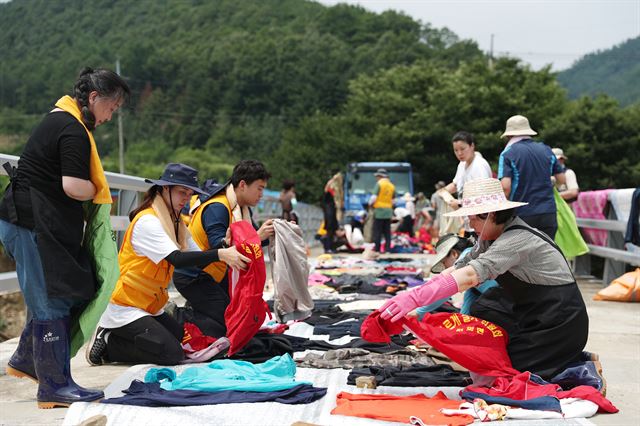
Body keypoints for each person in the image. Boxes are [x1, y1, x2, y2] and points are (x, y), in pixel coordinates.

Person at [0, 68, 129, 408]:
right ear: (93, 98)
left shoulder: (64, 121)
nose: (110, 115)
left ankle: (27, 361)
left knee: (70, 291)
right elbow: (73, 186)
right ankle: (54, 387)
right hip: (30, 223)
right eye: (112, 107)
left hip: (30, 221)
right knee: (52, 300)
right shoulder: (71, 129)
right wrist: (99, 189)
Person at [379, 178, 593, 383]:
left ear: (490, 215)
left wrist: (415, 300)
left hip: (559, 321)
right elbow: (458, 268)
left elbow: (470, 276)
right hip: (533, 313)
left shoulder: (515, 240)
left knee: (505, 371)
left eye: (472, 217)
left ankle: (579, 365)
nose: (469, 223)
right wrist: (411, 297)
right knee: (485, 309)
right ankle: (557, 357)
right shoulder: (490, 237)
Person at [86, 164, 250, 366]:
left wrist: (225, 246)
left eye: (190, 194)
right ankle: (109, 342)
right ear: (165, 189)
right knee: (171, 354)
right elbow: (177, 259)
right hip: (126, 305)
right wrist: (220, 254)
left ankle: (120, 337)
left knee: (184, 342)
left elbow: (197, 255)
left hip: (151, 304)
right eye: (182, 192)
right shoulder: (148, 221)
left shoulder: (176, 222)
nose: (186, 199)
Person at [172, 160, 274, 338]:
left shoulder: (240, 208)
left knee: (242, 318)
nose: (261, 194)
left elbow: (248, 242)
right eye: (259, 188)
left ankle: (198, 308)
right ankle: (175, 316)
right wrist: (259, 236)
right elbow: (219, 246)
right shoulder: (218, 207)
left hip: (215, 273)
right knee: (229, 325)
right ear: (242, 185)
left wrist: (272, 235)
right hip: (194, 275)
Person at [498, 115, 565, 239]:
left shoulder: (507, 154)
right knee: (546, 255)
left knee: (524, 256)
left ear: (508, 135)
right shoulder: (546, 149)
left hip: (522, 215)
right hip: (548, 213)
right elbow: (562, 180)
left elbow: (505, 188)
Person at [444, 131, 492, 235]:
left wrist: (460, 203)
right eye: (456, 150)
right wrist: (443, 192)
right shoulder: (462, 164)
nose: (459, 153)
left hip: (481, 223)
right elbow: (456, 184)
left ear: (472, 146)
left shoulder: (479, 166)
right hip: (468, 222)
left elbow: (484, 195)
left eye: (462, 149)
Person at [370, 168, 396, 253]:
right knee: (387, 232)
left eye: (377, 176)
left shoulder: (379, 184)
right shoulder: (392, 186)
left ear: (380, 176)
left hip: (379, 211)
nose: (376, 178)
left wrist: (370, 204)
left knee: (378, 231)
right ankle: (387, 249)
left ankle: (377, 249)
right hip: (388, 211)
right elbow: (393, 200)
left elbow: (373, 198)